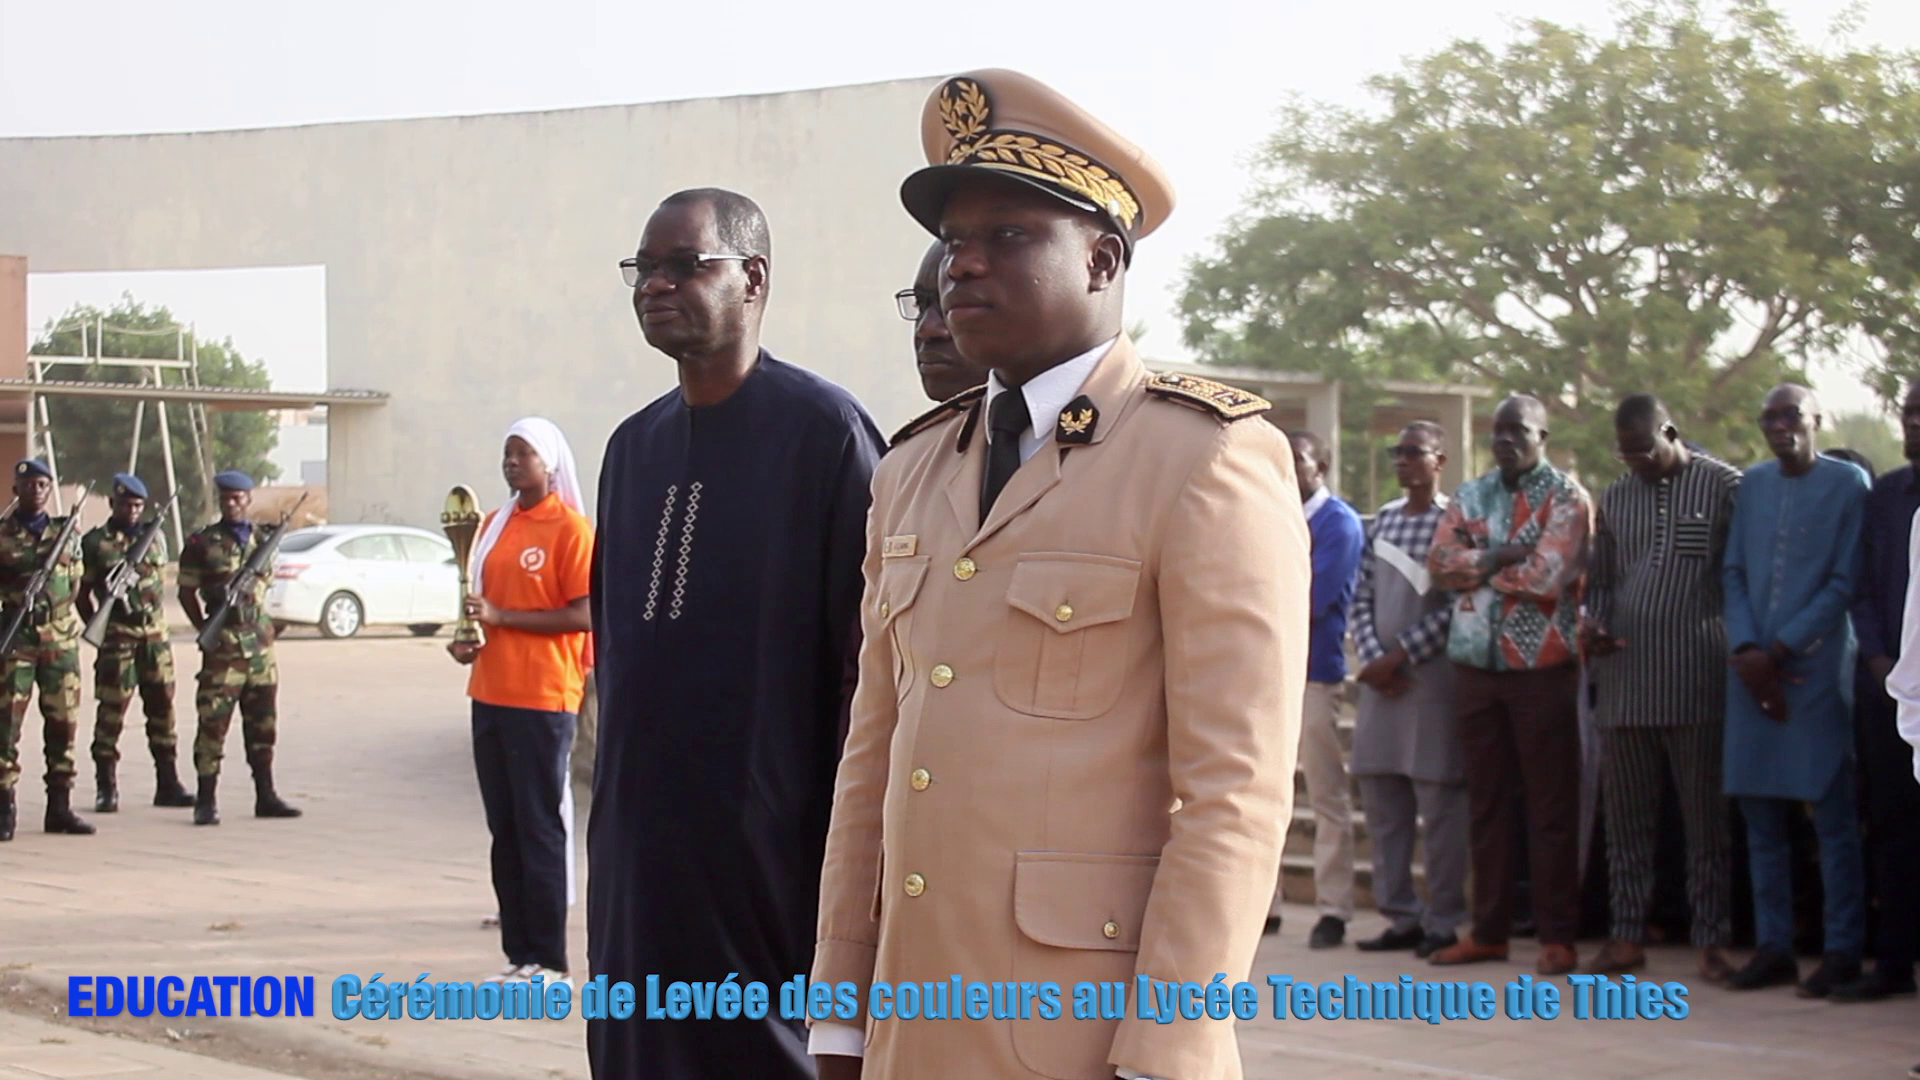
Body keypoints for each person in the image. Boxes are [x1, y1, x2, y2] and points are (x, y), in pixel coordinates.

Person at [810, 69, 1309, 1080]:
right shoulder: (912, 468)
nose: (965, 267)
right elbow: (873, 758)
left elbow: (1234, 792)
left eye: (1009, 237)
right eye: (954, 243)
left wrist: (1168, 1045)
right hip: (913, 1025)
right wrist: (838, 1009)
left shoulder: (1204, 456)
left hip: (1085, 1032)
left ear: (1103, 258)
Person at [587, 188, 883, 1080]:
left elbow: (870, 659)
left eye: (685, 264)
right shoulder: (631, 448)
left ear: (752, 279)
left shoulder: (824, 433)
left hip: (768, 847)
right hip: (639, 846)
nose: (656, 285)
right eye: (645, 268)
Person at [1426, 394, 1591, 976]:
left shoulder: (1567, 497)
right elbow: (1440, 563)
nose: (1505, 440)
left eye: (1518, 430)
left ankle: (1557, 935)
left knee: (1549, 807)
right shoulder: (1471, 494)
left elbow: (1548, 576)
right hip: (1474, 667)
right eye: (1498, 430)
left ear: (1543, 435)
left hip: (1541, 670)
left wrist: (1481, 560)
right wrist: (1503, 554)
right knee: (1486, 805)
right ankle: (1489, 931)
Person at [1581, 396, 1739, 982]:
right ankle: (1625, 936)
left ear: (1671, 431)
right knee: (1625, 823)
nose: (1637, 462)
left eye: (1645, 449)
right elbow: (1601, 582)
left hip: (1697, 681)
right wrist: (1591, 623)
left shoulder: (1726, 487)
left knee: (1705, 824)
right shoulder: (1617, 495)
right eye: (1626, 453)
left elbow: (1737, 577)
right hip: (1624, 685)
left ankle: (1713, 941)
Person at [1720, 384, 1869, 996]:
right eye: (1770, 417)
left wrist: (1779, 651)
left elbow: (1845, 582)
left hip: (1814, 671)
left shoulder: (1848, 486)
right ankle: (1774, 946)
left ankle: (1841, 950)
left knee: (1831, 821)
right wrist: (1750, 651)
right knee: (1761, 820)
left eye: (1792, 416)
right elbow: (1733, 571)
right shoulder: (1751, 484)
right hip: (1751, 671)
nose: (1781, 426)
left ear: (1816, 422)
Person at [447, 419, 592, 984]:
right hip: (489, 691)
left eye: (523, 454)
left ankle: (549, 959)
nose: (511, 463)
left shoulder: (571, 530)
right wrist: (468, 638)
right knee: (504, 826)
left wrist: (504, 619)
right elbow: (476, 603)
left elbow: (584, 613)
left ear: (549, 463)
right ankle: (518, 953)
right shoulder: (492, 525)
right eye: (506, 453)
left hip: (544, 697)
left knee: (537, 827)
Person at [1349, 421, 1468, 960]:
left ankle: (1443, 919)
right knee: (1384, 808)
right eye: (1396, 452)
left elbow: (1455, 606)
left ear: (1439, 460)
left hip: (1429, 683)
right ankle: (1400, 916)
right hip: (1382, 687)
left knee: (1440, 808)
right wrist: (1374, 658)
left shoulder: (1456, 523)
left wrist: (1402, 655)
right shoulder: (1384, 523)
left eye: (1413, 452)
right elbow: (1360, 595)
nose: (1402, 460)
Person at [1840, 380, 1920, 1002]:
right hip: (1889, 695)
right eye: (1909, 414)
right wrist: (1876, 658)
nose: (1915, 424)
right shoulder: (1887, 497)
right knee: (1892, 828)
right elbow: (1862, 586)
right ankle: (1892, 963)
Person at [1276, 429, 1363, 949]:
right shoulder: (1270, 513)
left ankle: (1333, 909)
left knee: (1326, 797)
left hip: (1314, 675)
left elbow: (1311, 597)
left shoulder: (1340, 524)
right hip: (1268, 674)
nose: (1291, 467)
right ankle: (1267, 906)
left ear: (1322, 465)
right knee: (1262, 792)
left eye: (1300, 459)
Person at [176, 470, 301, 826]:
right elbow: (186, 591)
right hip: (224, 646)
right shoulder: (202, 543)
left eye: (238, 498)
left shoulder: (263, 539)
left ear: (248, 500)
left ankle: (266, 795)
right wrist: (204, 627)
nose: (232, 503)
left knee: (263, 724)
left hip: (260, 646)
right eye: (226, 498)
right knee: (213, 723)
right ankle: (206, 799)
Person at [76, 473, 194, 813]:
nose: (132, 511)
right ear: (113, 504)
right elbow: (82, 594)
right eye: (126, 504)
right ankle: (106, 787)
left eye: (138, 505)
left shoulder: (154, 539)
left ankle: (168, 782)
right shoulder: (95, 543)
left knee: (162, 710)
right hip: (117, 641)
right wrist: (97, 627)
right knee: (111, 714)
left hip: (155, 639)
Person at [0, 459, 93, 838]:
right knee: (6, 728)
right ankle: (4, 810)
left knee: (63, 724)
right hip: (17, 639)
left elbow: (75, 585)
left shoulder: (67, 533)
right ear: (16, 490)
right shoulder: (3, 534)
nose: (36, 491)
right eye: (28, 484)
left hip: (60, 640)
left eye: (43, 484)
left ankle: (60, 808)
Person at [898, 239, 989, 402]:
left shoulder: (1046, 426)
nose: (926, 329)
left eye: (957, 304)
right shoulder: (935, 427)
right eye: (920, 303)